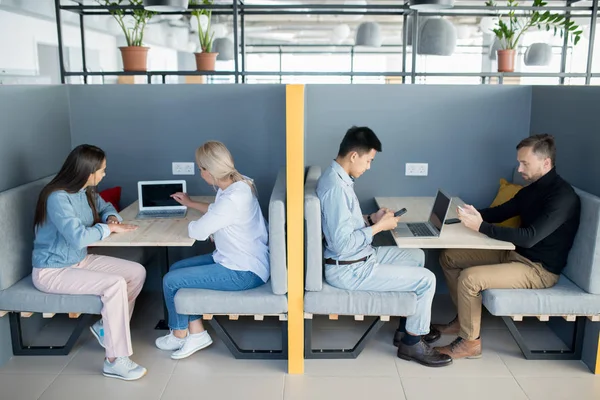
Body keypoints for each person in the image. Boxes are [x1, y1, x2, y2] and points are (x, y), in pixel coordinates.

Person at [433, 134, 580, 359]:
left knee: (470, 279)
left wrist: (481, 226)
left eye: (525, 163)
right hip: (514, 254)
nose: (519, 169)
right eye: (519, 162)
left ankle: (470, 342)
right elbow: (501, 212)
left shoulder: (563, 197)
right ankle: (463, 322)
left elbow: (530, 237)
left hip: (538, 269)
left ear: (546, 163)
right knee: (450, 257)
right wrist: (471, 214)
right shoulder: (531, 189)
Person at [316, 126, 452, 368]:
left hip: (359, 258)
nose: (369, 166)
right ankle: (412, 342)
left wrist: (372, 219)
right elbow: (342, 243)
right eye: (369, 160)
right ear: (354, 156)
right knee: (427, 279)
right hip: (350, 269)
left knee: (417, 256)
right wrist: (380, 228)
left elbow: (345, 226)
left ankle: (405, 327)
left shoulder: (340, 178)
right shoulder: (335, 188)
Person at [32, 144, 147, 381]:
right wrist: (109, 229)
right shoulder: (57, 197)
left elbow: (105, 206)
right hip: (52, 270)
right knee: (115, 284)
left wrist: (111, 218)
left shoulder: (84, 190)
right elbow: (77, 237)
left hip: (79, 261)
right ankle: (115, 360)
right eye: (102, 170)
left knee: (136, 272)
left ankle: (106, 329)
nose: (105, 174)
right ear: (87, 170)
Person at [155, 141, 269, 360]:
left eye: (201, 168)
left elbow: (197, 231)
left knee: (171, 280)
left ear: (210, 171)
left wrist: (197, 225)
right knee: (177, 269)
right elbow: (218, 212)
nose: (200, 173)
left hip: (243, 271)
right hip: (236, 259)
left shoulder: (233, 198)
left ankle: (180, 333)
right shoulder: (238, 184)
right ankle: (194, 331)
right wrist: (191, 203)